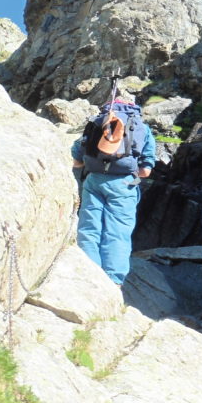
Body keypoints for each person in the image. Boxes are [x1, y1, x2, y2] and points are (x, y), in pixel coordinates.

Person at [71, 91, 156, 285]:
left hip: (93, 182)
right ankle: (112, 281)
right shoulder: (142, 128)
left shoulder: (96, 122)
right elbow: (145, 171)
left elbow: (77, 161)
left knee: (89, 228)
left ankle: (88, 277)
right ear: (133, 107)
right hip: (124, 185)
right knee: (117, 233)